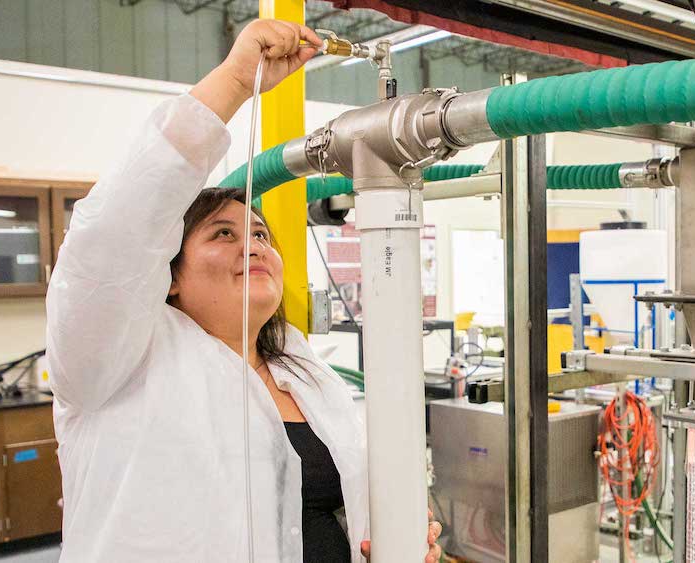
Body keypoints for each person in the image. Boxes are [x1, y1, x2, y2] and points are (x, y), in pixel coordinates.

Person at [46, 19, 441, 563]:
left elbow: (339, 501)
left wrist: (392, 533)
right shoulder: (116, 362)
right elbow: (114, 233)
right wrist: (235, 80)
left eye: (260, 234)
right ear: (168, 273)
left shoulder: (300, 366)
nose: (253, 245)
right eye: (223, 234)